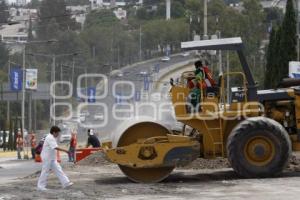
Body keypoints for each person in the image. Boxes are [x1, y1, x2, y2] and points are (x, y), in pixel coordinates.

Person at [37, 126, 73, 191]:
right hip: (47, 158)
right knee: (45, 171)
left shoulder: (52, 137)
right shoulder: (49, 138)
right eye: (57, 133)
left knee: (59, 170)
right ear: (54, 132)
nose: (58, 135)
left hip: (52, 158)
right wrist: (66, 151)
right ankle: (40, 186)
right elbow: (55, 147)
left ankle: (66, 183)